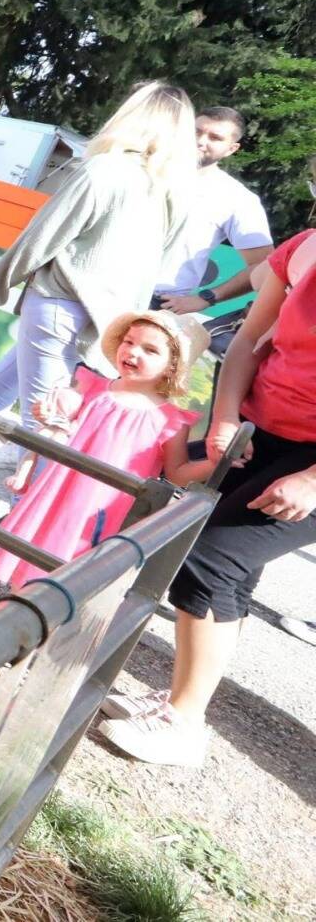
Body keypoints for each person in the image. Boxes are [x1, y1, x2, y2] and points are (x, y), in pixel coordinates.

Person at [99, 229, 316, 766]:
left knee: (209, 559)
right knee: (226, 567)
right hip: (262, 426)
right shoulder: (305, 245)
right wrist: (224, 418)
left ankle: (184, 724)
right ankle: (180, 699)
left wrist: (312, 480)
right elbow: (246, 341)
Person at [0, 82, 195, 480]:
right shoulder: (171, 192)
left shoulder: (105, 169)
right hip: (109, 320)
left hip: (61, 303)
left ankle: (25, 513)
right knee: (3, 389)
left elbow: (42, 236)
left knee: (44, 421)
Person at [0, 309, 213, 588]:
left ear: (172, 367)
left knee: (77, 563)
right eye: (129, 341)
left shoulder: (170, 420)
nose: (132, 352)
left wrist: (214, 463)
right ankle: (18, 602)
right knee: (39, 545)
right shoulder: (94, 387)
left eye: (149, 350)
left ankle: (45, 614)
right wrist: (48, 413)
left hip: (105, 506)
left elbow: (176, 473)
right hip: (59, 489)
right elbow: (60, 422)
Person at [148, 106, 273, 368]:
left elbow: (264, 265)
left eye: (215, 138)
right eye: (196, 130)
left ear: (232, 149)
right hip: (103, 286)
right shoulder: (145, 169)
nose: (201, 141)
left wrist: (207, 297)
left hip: (157, 304)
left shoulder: (237, 199)